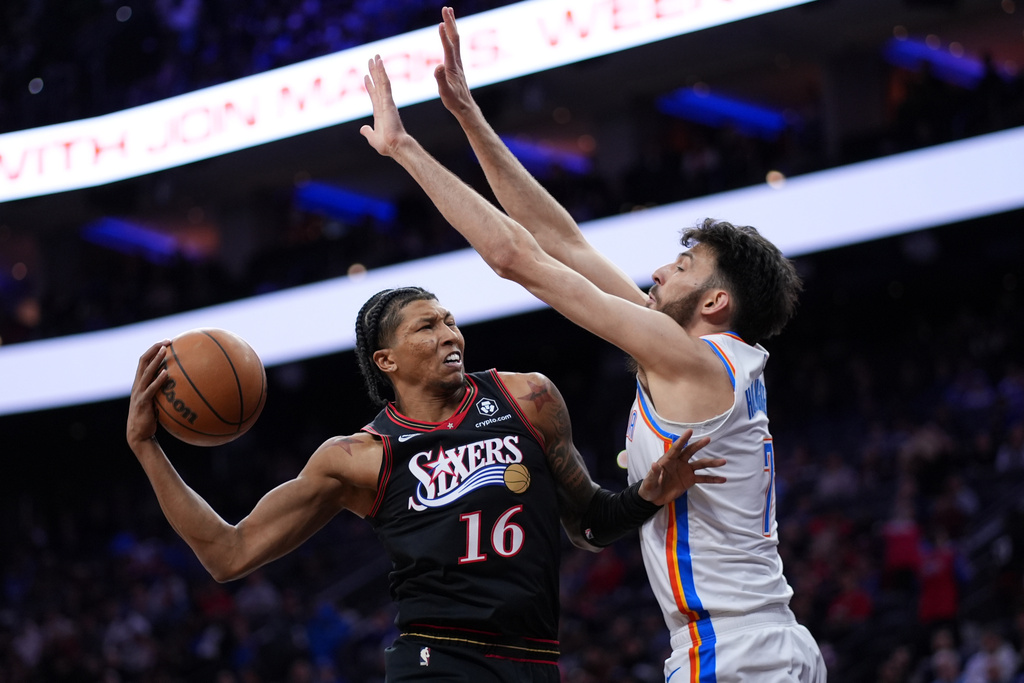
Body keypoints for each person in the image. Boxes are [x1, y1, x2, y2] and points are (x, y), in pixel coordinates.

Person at [358, 8, 826, 680]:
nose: (662, 270)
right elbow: (563, 241)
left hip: (736, 653)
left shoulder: (690, 357)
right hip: (767, 644)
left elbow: (513, 256)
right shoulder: (693, 354)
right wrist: (467, 114)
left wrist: (405, 147)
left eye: (685, 266)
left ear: (716, 303)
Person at [126, 286, 726, 682]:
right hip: (436, 660)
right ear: (385, 360)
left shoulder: (528, 397)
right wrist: (147, 447)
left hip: (535, 659)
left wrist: (649, 493)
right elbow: (228, 554)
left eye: (449, 321)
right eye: (426, 327)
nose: (449, 334)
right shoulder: (358, 457)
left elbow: (589, 524)